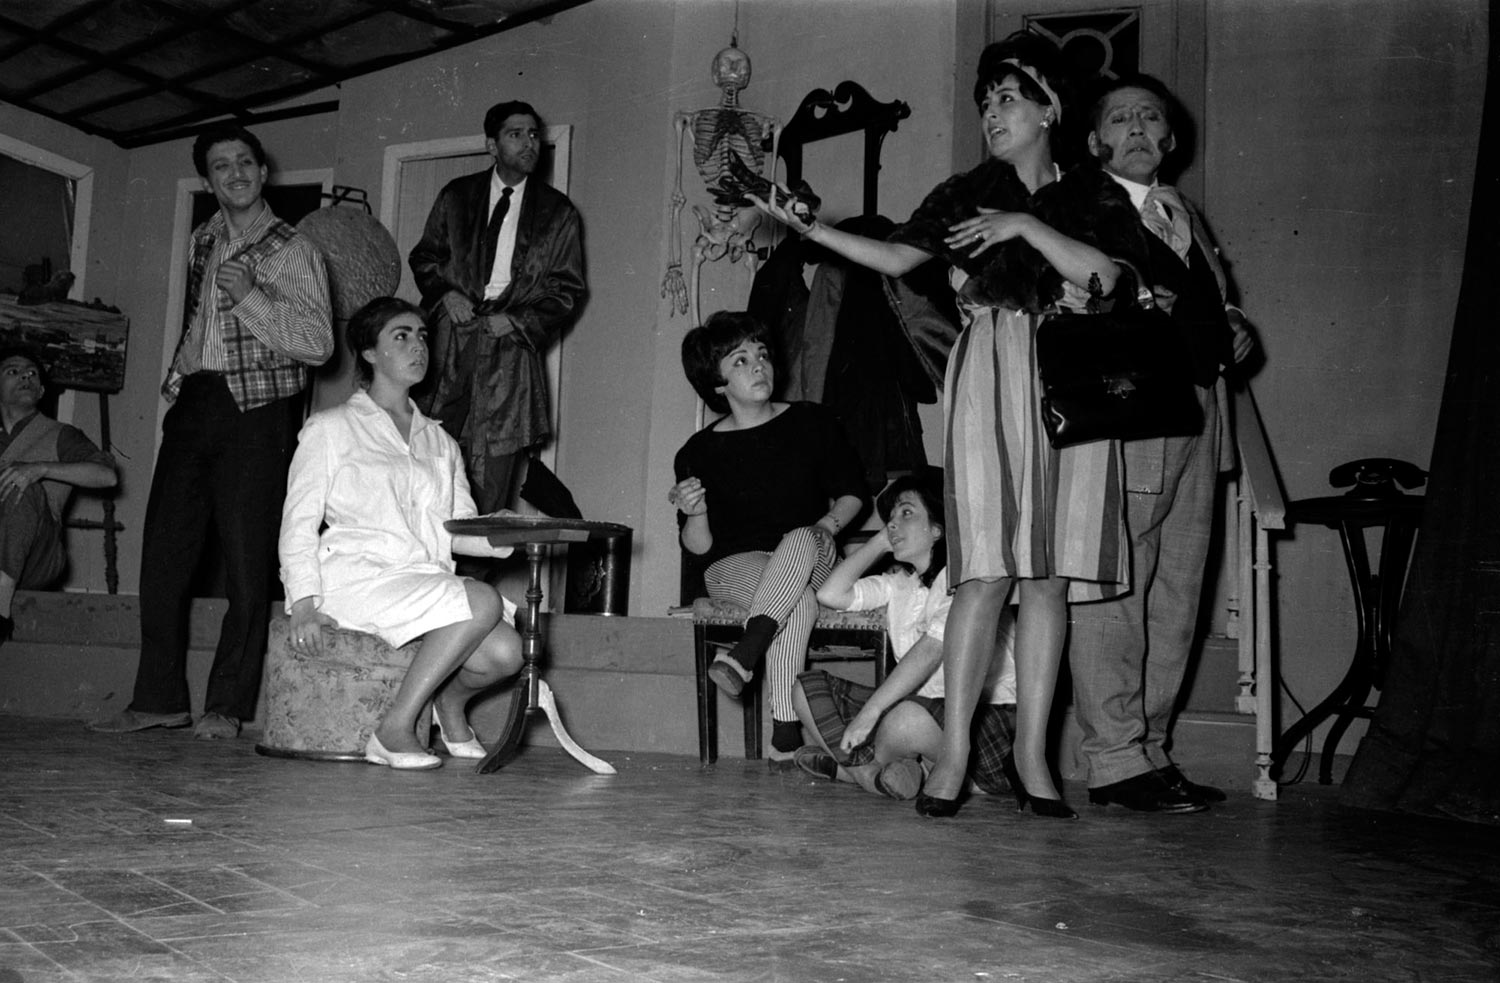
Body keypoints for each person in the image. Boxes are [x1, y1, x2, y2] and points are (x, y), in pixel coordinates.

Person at [754, 31, 1152, 818]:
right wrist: (808, 228)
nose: (991, 113)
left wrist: (1025, 228)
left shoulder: (1093, 194)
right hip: (991, 371)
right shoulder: (965, 190)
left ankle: (1034, 757)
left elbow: (1111, 279)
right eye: (984, 102)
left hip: (1069, 376)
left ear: (1049, 109)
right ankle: (957, 751)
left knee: (1047, 577)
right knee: (983, 572)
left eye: (1008, 98)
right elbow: (896, 258)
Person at [90, 123, 333, 740]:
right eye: (221, 166)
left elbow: (317, 345)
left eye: (245, 162)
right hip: (197, 402)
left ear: (263, 171)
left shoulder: (294, 249)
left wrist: (251, 297)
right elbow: (201, 322)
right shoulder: (204, 238)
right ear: (208, 179)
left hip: (258, 411)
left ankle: (226, 706)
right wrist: (178, 380)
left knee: (248, 563)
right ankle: (158, 699)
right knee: (163, 556)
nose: (235, 174)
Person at [1066, 74, 1256, 813]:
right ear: (1095, 141)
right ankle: (1113, 756)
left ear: (1171, 139)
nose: (1139, 127)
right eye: (1121, 118)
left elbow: (1212, 296)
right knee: (1120, 582)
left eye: (1151, 117)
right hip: (1135, 411)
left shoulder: (1183, 211)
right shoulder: (1080, 206)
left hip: (1201, 407)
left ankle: (1149, 748)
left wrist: (1232, 320)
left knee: (1178, 589)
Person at [278, 297, 523, 770]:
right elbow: (298, 521)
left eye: (422, 336)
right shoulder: (331, 428)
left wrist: (505, 532)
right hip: (355, 579)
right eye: (402, 335)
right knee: (482, 600)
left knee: (506, 653)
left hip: (418, 578)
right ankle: (394, 730)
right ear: (370, 352)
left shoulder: (441, 441)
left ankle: (448, 702)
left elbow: (457, 529)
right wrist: (302, 602)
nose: (418, 346)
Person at [672, 311, 868, 767]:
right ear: (717, 382)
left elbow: (853, 494)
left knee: (798, 540)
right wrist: (695, 513)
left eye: (761, 354)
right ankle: (785, 735)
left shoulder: (812, 421)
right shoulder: (697, 452)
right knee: (796, 602)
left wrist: (824, 528)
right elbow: (699, 548)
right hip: (735, 567)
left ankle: (746, 653)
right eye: (740, 360)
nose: (758, 365)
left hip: (813, 551)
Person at [793, 468, 1020, 805]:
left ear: (937, 529)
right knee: (805, 688)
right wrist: (880, 542)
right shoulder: (900, 583)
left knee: (904, 718)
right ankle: (875, 776)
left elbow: (931, 651)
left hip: (985, 725)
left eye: (907, 513)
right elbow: (830, 593)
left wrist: (871, 712)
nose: (893, 524)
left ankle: (859, 772)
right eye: (891, 518)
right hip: (926, 721)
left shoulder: (967, 582)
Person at [408, 100, 587, 513]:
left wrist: (519, 321)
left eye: (533, 135)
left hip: (509, 347)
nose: (529, 143)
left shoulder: (557, 212)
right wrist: (445, 293)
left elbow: (567, 289)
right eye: (515, 134)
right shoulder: (457, 196)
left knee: (492, 474)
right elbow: (425, 257)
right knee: (429, 454)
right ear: (491, 145)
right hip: (452, 338)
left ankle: (479, 555)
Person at [0, 347, 117, 639]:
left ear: (41, 391)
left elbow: (106, 476)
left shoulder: (60, 434)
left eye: (32, 373)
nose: (25, 376)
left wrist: (40, 469)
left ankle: (0, 608)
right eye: (13, 371)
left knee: (23, 484)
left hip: (35, 556)